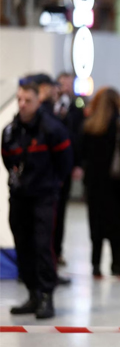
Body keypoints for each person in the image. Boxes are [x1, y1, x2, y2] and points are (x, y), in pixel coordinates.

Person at [2, 80, 73, 319]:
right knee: (23, 245)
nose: (22, 105)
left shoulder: (52, 129)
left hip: (44, 196)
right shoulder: (11, 131)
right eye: (19, 100)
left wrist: (52, 184)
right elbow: (8, 160)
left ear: (37, 101)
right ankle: (33, 294)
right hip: (19, 196)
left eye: (27, 100)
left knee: (43, 246)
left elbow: (65, 162)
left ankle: (46, 296)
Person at [82, 88, 120, 280]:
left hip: (94, 184)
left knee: (97, 227)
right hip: (118, 184)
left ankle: (96, 266)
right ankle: (118, 266)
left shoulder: (89, 125)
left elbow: (80, 152)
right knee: (118, 227)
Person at [52, 72, 85, 267]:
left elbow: (78, 137)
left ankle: (57, 251)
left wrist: (78, 163)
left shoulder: (77, 106)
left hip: (66, 162)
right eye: (62, 83)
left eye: (68, 83)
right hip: (50, 166)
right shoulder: (48, 109)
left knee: (61, 209)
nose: (65, 86)